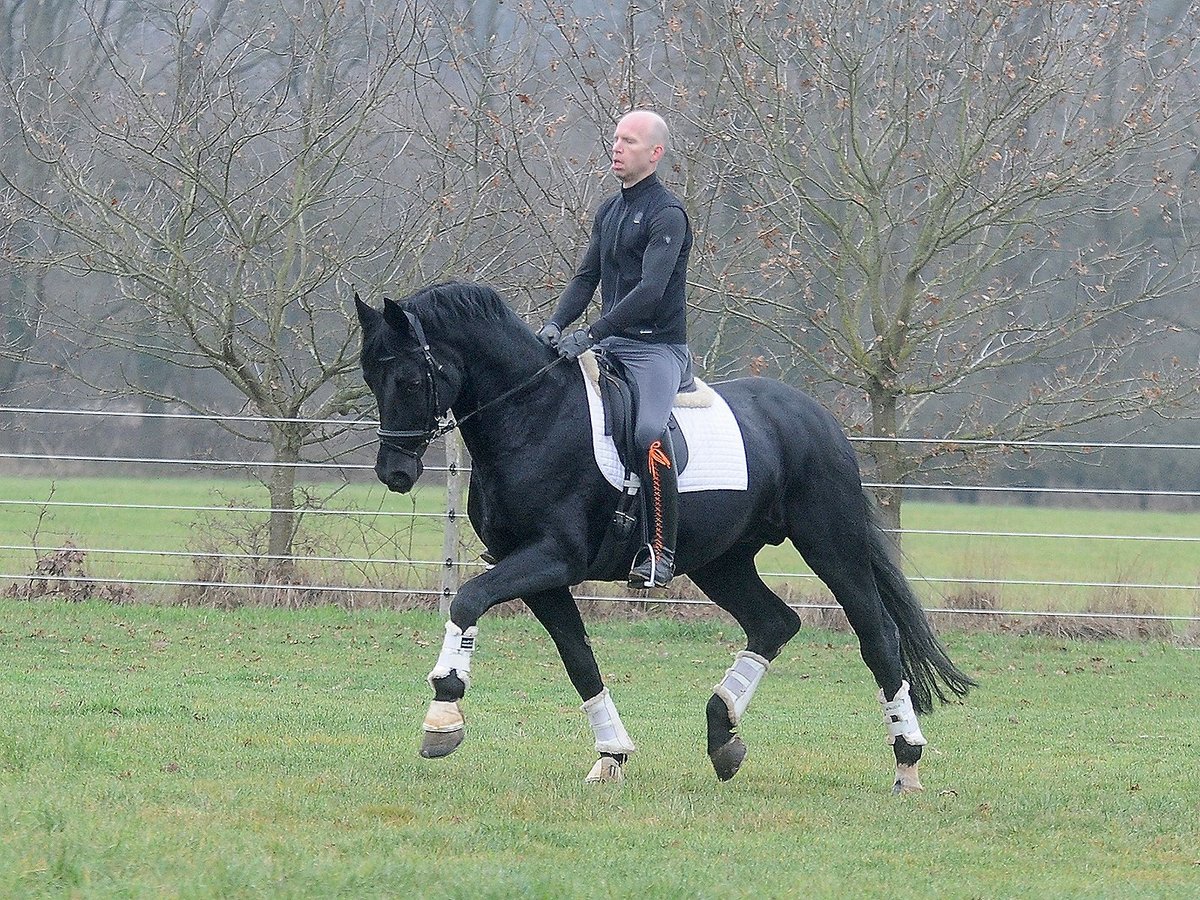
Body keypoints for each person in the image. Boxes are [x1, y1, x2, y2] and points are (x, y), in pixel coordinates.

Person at [537, 109, 693, 589]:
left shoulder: (668, 214)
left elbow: (650, 291)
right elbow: (587, 277)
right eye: (616, 138)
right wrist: (555, 324)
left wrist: (592, 332)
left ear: (655, 153)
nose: (617, 147)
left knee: (647, 433)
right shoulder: (609, 210)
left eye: (629, 141)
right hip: (610, 344)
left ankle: (661, 550)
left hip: (656, 350)